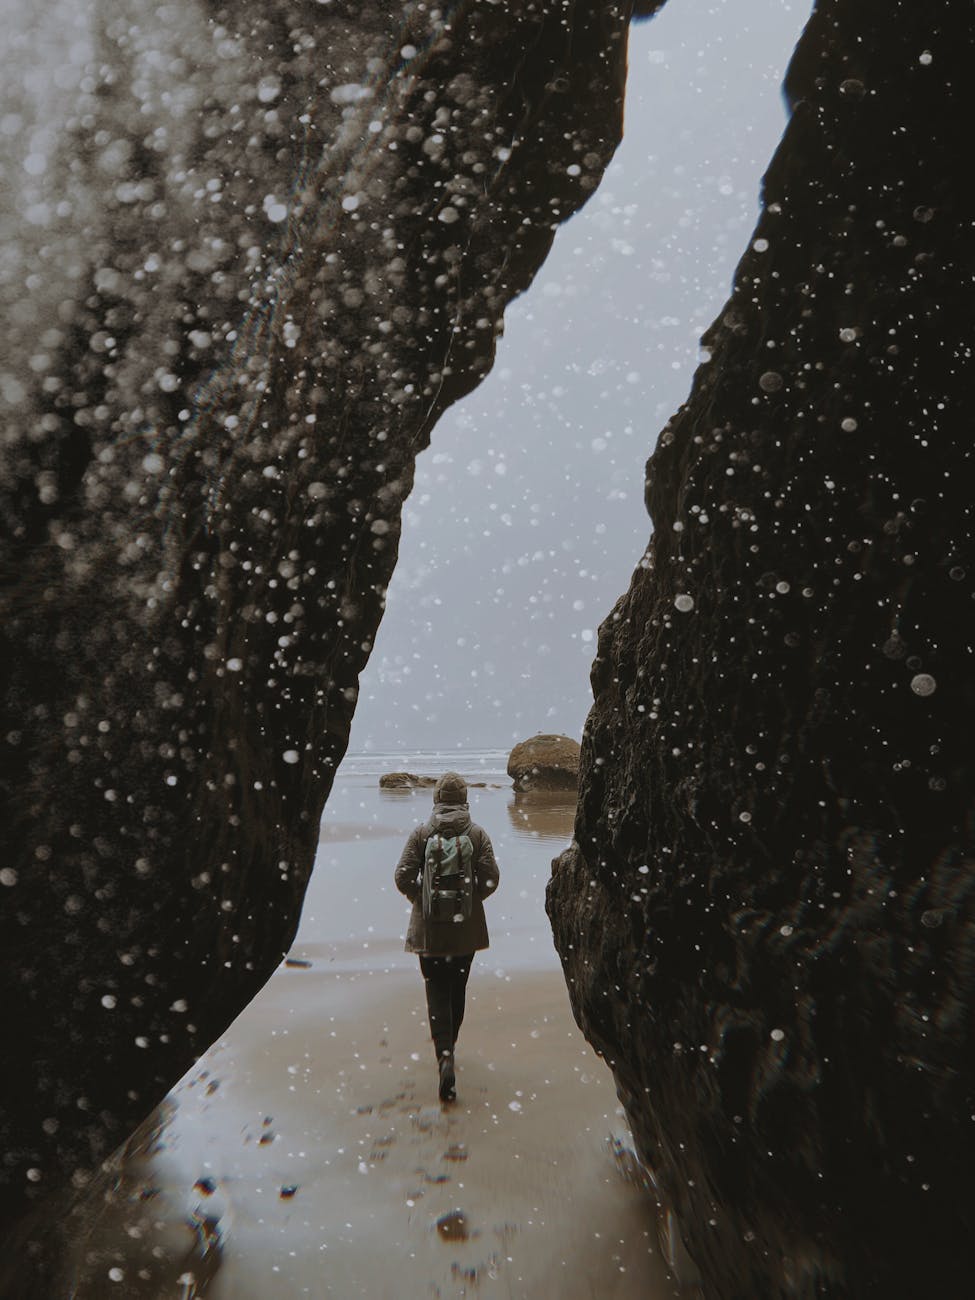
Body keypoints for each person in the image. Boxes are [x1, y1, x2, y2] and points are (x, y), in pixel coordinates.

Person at [394, 772, 500, 1102]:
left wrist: (421, 899)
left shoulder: (422, 833)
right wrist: (469, 902)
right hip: (465, 930)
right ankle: (450, 1049)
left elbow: (401, 876)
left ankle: (444, 1057)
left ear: (436, 799)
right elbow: (491, 878)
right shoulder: (478, 833)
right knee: (457, 987)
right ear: (465, 798)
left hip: (429, 931)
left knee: (436, 989)